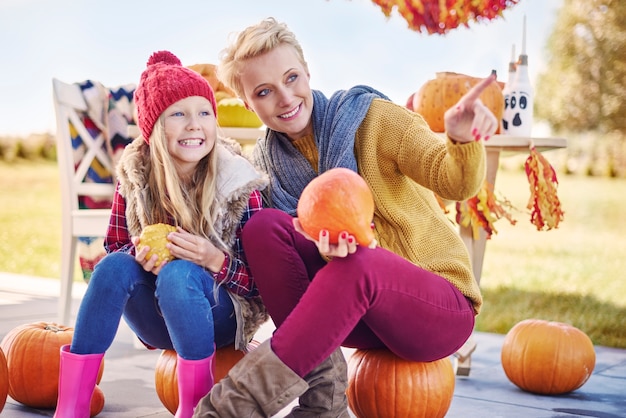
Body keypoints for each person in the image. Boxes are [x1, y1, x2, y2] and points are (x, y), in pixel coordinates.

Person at [194, 17, 499, 418]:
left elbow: (455, 181)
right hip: (359, 317)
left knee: (360, 263)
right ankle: (324, 396)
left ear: (307, 71)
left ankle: (227, 410)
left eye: (291, 78)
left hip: (437, 308)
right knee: (263, 227)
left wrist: (459, 139)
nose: (285, 98)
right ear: (248, 104)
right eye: (265, 92)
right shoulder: (265, 170)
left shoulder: (372, 119)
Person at [54, 50, 268, 418]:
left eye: (204, 113)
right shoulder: (137, 177)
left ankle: (195, 410)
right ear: (153, 128)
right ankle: (71, 407)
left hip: (221, 318)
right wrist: (139, 255)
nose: (194, 125)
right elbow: (117, 246)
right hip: (159, 318)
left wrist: (212, 259)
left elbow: (262, 285)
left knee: (180, 273)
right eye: (178, 114)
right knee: (112, 267)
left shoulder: (237, 182)